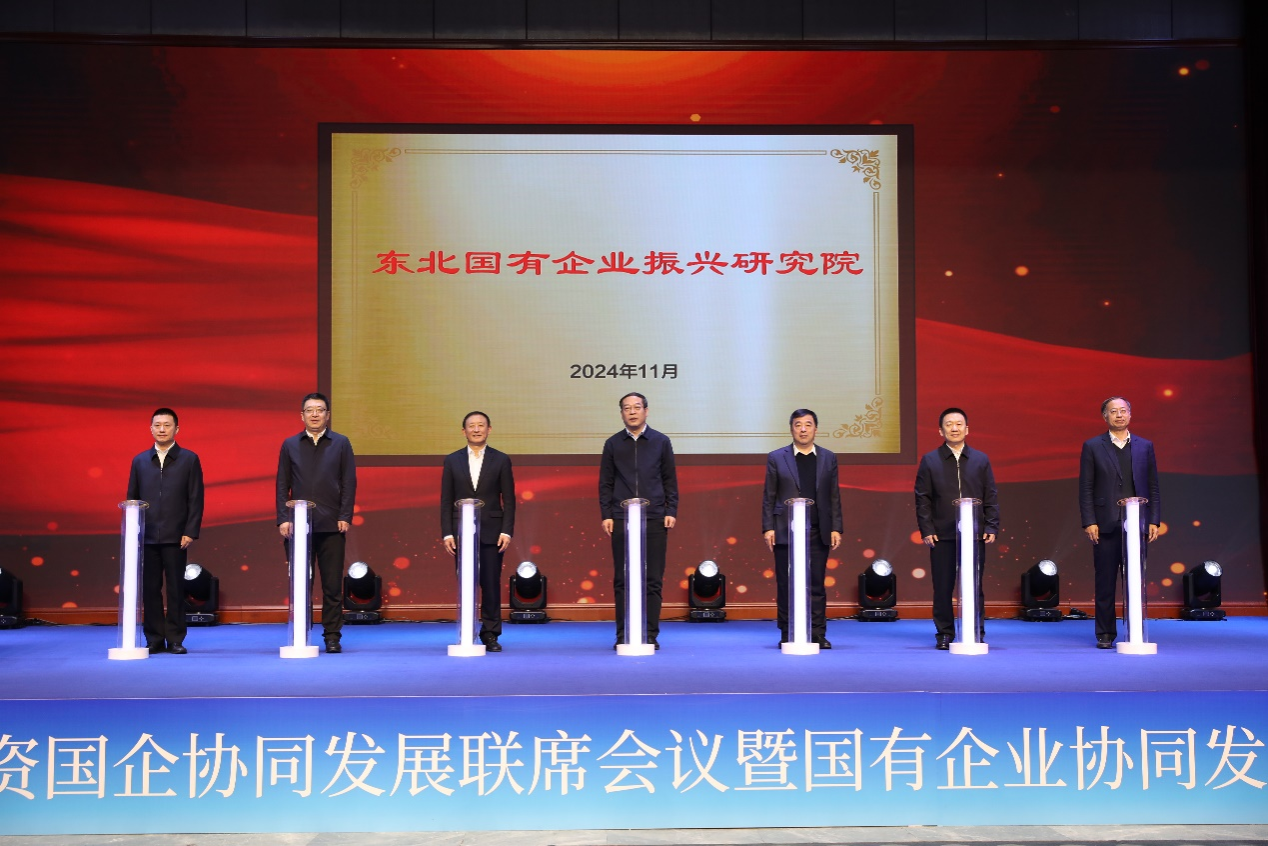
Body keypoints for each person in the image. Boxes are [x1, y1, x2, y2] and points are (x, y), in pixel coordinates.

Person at [276, 392, 357, 654]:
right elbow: (282, 484)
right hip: (299, 527)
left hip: (332, 524)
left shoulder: (341, 443)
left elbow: (348, 482)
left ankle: (332, 636)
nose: (314, 414)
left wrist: (345, 516)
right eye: (309, 410)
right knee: (301, 583)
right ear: (302, 415)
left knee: (332, 586)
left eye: (319, 410)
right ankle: (302, 633)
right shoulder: (290, 444)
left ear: (327, 415)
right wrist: (283, 518)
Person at [1079, 396, 1161, 649]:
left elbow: (1153, 486)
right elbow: (1086, 487)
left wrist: (1154, 519)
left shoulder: (1144, 446)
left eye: (1123, 410)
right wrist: (1089, 521)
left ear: (1130, 414)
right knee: (1105, 581)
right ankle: (1105, 633)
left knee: (1135, 579)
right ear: (1105, 416)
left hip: (1136, 524)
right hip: (1105, 523)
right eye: (1113, 411)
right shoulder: (1093, 446)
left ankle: (1135, 630)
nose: (1119, 415)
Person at [914, 407, 999, 650]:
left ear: (967, 429)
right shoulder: (930, 460)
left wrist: (991, 524)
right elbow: (922, 498)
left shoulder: (980, 460)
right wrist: (927, 528)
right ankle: (944, 633)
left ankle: (976, 631)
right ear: (940, 431)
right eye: (949, 424)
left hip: (974, 534)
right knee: (942, 587)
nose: (954, 428)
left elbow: (990, 494)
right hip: (942, 534)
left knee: (974, 585)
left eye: (959, 424)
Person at [599, 392, 678, 650]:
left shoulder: (661, 441)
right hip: (622, 518)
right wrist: (607, 514)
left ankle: (650, 634)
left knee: (653, 578)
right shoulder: (613, 444)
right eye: (626, 408)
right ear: (621, 413)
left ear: (646, 410)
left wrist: (671, 510)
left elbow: (669, 479)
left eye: (636, 407)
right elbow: (605, 482)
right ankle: (623, 633)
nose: (632, 412)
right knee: (622, 578)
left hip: (654, 517)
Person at [762, 409, 843, 648]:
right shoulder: (777, 457)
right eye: (798, 425)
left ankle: (817, 633)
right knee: (786, 584)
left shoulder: (828, 457)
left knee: (816, 583)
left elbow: (834, 495)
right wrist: (768, 527)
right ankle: (787, 632)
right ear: (792, 429)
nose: (803, 429)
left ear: (816, 429)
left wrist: (836, 527)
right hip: (785, 531)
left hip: (818, 529)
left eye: (808, 424)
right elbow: (769, 495)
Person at [126, 407, 204, 655]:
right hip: (147, 537)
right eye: (157, 425)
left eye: (167, 425)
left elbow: (196, 498)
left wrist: (190, 530)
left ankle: (176, 638)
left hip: (176, 536)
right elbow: (132, 499)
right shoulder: (140, 461)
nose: (162, 429)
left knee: (175, 589)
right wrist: (134, 533)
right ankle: (154, 638)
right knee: (150, 590)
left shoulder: (189, 459)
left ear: (176, 429)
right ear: (151, 429)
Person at [440, 411, 516, 652]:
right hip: (461, 534)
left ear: (489, 429)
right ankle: (466, 631)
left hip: (493, 532)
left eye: (481, 425)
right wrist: (447, 533)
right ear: (463, 431)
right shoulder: (452, 460)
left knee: (491, 584)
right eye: (471, 426)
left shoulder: (501, 460)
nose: (476, 429)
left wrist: (507, 531)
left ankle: (491, 634)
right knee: (466, 583)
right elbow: (446, 500)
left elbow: (509, 500)